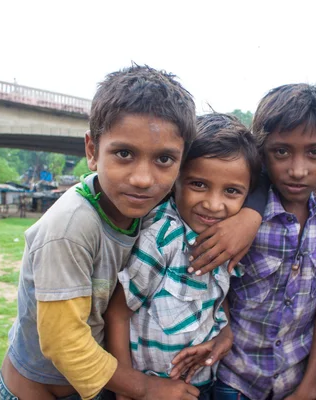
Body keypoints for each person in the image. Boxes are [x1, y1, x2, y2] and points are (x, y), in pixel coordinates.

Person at [0, 65, 261, 400]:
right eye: (124, 154)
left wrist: (250, 217)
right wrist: (146, 388)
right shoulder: (71, 227)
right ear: (92, 151)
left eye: (163, 159)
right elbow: (64, 343)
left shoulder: (151, 208)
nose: (143, 178)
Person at [214, 84, 316, 400]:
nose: (298, 171)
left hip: (295, 379)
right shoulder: (236, 207)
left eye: (315, 152)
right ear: (261, 152)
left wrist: (310, 385)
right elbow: (216, 280)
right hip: (232, 375)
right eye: (281, 151)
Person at [106, 113, 262, 400]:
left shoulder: (225, 237)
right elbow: (117, 314)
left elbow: (216, 292)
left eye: (231, 191)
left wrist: (224, 331)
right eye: (198, 185)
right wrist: (128, 392)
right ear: (176, 179)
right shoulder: (161, 239)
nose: (214, 205)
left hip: (201, 383)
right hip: (152, 388)